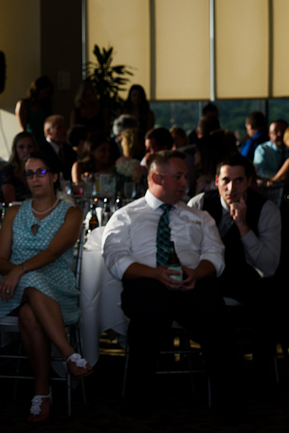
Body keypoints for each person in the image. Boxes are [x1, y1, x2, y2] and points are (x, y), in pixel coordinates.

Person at [102, 150, 236, 408]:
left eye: (185, 176)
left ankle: (226, 400)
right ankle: (139, 399)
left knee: (217, 320)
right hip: (147, 281)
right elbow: (115, 258)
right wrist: (154, 273)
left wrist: (197, 272)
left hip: (192, 281)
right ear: (156, 177)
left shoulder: (199, 216)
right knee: (148, 317)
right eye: (178, 177)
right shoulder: (126, 216)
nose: (186, 183)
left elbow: (215, 254)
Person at [0, 151, 90, 423]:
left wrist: (20, 271)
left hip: (58, 289)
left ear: (55, 176)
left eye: (41, 172)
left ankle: (41, 393)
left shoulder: (72, 213)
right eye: (30, 173)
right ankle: (68, 354)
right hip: (15, 288)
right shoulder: (14, 212)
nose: (35, 178)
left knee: (29, 315)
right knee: (30, 284)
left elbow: (54, 253)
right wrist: (19, 274)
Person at [189, 154, 281, 383]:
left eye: (239, 180)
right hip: (208, 275)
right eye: (225, 181)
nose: (231, 188)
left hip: (246, 276)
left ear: (249, 181)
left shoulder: (266, 210)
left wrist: (243, 226)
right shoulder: (199, 204)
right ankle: (217, 368)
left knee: (268, 294)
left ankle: (261, 372)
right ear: (216, 181)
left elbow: (269, 267)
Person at [0, 132, 37, 204]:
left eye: (30, 146)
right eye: (21, 147)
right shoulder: (7, 172)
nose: (26, 151)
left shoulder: (37, 171)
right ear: (15, 149)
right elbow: (11, 202)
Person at [16, 76, 54, 150]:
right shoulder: (24, 104)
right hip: (32, 142)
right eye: (44, 92)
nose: (46, 95)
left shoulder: (45, 105)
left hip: (45, 141)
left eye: (48, 93)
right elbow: (23, 129)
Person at [41, 115, 77, 181]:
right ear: (48, 131)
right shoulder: (42, 151)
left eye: (64, 127)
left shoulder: (69, 150)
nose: (64, 130)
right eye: (59, 127)